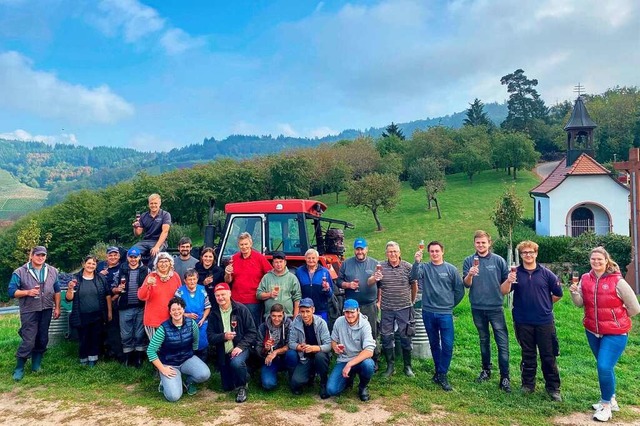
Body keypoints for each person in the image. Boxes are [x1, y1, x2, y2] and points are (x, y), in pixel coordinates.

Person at [570, 247, 640, 422]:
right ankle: (612, 398)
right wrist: (574, 293)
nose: (596, 262)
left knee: (603, 366)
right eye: (593, 259)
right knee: (606, 367)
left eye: (600, 259)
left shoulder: (618, 281)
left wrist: (617, 320)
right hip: (592, 331)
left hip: (615, 333)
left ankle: (606, 405)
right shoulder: (585, 279)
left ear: (607, 261)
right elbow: (579, 304)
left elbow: (635, 308)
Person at [504, 240, 563, 401]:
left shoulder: (546, 274)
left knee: (548, 355)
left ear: (536, 253)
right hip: (522, 321)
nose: (528, 255)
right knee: (528, 354)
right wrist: (509, 280)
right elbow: (503, 291)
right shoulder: (516, 274)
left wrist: (544, 304)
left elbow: (558, 294)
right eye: (524, 253)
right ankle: (528, 385)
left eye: (531, 252)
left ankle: (553, 388)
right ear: (521, 255)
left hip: (544, 321)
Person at [411, 241, 464, 391]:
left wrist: (450, 305)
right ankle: (439, 372)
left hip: (445, 313)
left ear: (442, 252)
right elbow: (413, 276)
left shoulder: (451, 269)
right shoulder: (425, 268)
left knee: (447, 345)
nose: (434, 254)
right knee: (434, 344)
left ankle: (442, 373)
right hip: (428, 312)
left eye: (437, 251)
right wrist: (416, 262)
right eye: (432, 251)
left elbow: (459, 290)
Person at [462, 230, 512, 392]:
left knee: (502, 342)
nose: (481, 245)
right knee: (484, 340)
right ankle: (486, 370)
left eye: (483, 242)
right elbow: (466, 284)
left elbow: (507, 283)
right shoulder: (469, 261)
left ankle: (505, 377)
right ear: (474, 244)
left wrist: (508, 285)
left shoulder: (498, 260)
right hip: (477, 307)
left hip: (495, 308)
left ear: (489, 243)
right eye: (478, 242)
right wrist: (470, 275)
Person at [8, 246, 61, 381]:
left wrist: (57, 308)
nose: (40, 258)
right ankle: (19, 368)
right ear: (31, 255)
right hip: (29, 310)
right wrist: (27, 292)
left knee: (43, 338)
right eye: (38, 255)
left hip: (47, 308)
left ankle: (36, 365)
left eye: (43, 255)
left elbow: (57, 290)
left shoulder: (52, 271)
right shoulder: (20, 272)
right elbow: (11, 291)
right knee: (29, 340)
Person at [147, 296, 211, 402]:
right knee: (174, 397)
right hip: (169, 363)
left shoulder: (192, 324)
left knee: (204, 374)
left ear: (183, 310)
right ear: (170, 312)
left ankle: (188, 381)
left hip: (187, 359)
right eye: (173, 310)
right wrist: (162, 369)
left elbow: (195, 341)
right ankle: (165, 382)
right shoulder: (163, 328)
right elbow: (150, 350)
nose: (176, 312)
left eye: (179, 309)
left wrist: (192, 355)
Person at [208, 282, 257, 403]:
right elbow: (210, 337)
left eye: (223, 294)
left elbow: (252, 332)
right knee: (227, 387)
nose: (220, 298)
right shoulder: (214, 313)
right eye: (217, 295)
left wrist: (240, 347)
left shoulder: (241, 309)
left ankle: (242, 387)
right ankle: (246, 373)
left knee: (236, 362)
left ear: (229, 293)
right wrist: (223, 336)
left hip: (241, 348)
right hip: (223, 351)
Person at [376, 241, 417, 378]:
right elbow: (377, 286)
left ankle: (407, 366)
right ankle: (390, 367)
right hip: (387, 308)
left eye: (395, 251)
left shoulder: (407, 267)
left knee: (406, 337)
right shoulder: (380, 267)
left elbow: (414, 285)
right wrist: (378, 302)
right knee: (386, 337)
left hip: (404, 307)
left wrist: (411, 301)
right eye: (390, 252)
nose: (392, 254)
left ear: (399, 253)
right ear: (386, 253)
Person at [337, 238, 380, 368]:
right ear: (354, 250)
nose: (359, 251)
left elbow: (381, 285)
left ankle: (374, 360)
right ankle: (353, 357)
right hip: (351, 307)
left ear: (366, 249)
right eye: (357, 249)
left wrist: (379, 302)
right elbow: (338, 282)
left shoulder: (374, 263)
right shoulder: (346, 264)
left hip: (369, 304)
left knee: (372, 332)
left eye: (362, 249)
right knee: (350, 333)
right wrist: (348, 285)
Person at [66, 255, 113, 367]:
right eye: (89, 263)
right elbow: (69, 298)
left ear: (96, 266)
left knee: (95, 337)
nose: (91, 266)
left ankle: (93, 359)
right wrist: (70, 289)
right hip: (81, 314)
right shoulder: (76, 278)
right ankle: (83, 359)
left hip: (98, 314)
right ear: (84, 264)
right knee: (83, 338)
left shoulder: (100, 278)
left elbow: (108, 295)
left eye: (93, 264)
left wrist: (109, 312)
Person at [327, 299, 376, 401]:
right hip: (343, 359)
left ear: (358, 310)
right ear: (343, 312)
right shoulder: (339, 322)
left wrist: (349, 364)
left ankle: (362, 387)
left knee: (369, 364)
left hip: (359, 360)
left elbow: (369, 351)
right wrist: (335, 347)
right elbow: (333, 340)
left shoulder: (365, 325)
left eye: (352, 312)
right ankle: (349, 379)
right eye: (347, 312)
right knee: (331, 390)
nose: (349, 315)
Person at [224, 232, 272, 327]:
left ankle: (255, 342)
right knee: (238, 326)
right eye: (241, 244)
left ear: (251, 244)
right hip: (236, 300)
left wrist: (267, 292)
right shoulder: (233, 258)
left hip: (253, 301)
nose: (244, 247)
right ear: (238, 245)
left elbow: (270, 275)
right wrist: (227, 273)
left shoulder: (259, 258)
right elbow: (228, 281)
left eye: (246, 244)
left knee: (253, 326)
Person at [113, 247, 149, 368]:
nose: (133, 259)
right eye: (131, 257)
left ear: (139, 257)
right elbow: (113, 286)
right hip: (125, 306)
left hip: (141, 306)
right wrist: (116, 289)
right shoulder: (121, 269)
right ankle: (127, 358)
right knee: (126, 335)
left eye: (135, 257)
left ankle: (138, 358)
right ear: (127, 257)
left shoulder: (146, 270)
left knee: (139, 334)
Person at [288, 298, 331, 398]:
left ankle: (323, 382)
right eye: (302, 311)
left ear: (313, 310)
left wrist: (314, 348)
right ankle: (309, 375)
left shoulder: (321, 323)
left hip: (319, 355)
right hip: (304, 357)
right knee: (296, 384)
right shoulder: (295, 323)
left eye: (308, 311)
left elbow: (329, 345)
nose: (305, 315)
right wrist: (299, 347)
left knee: (320, 356)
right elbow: (291, 343)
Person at [137, 252, 182, 340]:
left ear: (170, 263)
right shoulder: (151, 276)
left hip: (171, 319)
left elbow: (180, 298)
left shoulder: (175, 276)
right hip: (153, 321)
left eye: (166, 261)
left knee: (170, 347)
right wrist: (147, 285)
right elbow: (141, 297)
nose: (163, 264)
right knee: (156, 349)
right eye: (160, 262)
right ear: (156, 264)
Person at [255, 303, 297, 390]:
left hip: (285, 357)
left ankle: (292, 379)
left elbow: (291, 344)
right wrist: (265, 349)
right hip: (270, 360)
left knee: (292, 354)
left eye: (279, 316)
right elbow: (258, 348)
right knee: (268, 385)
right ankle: (270, 376)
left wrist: (275, 352)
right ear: (270, 315)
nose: (276, 319)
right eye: (274, 316)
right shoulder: (263, 327)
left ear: (283, 315)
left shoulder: (289, 324)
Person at [175, 268, 211, 361]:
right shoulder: (179, 291)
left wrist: (203, 318)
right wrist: (186, 315)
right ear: (185, 280)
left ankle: (203, 363)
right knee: (187, 343)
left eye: (194, 279)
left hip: (201, 322)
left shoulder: (202, 290)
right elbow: (175, 309)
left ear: (197, 279)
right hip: (186, 322)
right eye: (189, 279)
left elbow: (207, 307)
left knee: (202, 342)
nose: (192, 281)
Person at [256, 251, 302, 319]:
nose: (279, 264)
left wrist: (295, 316)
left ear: (285, 263)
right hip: (270, 316)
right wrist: (269, 294)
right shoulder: (266, 277)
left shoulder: (292, 278)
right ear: (273, 264)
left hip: (288, 316)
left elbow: (297, 298)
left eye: (281, 262)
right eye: (276, 262)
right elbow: (258, 294)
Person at [99, 246, 124, 363]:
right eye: (110, 255)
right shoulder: (100, 267)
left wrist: (114, 296)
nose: (113, 257)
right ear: (106, 256)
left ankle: (117, 354)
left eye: (115, 255)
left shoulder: (122, 267)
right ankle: (103, 353)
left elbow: (123, 287)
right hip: (100, 303)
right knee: (101, 329)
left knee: (114, 329)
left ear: (119, 256)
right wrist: (100, 275)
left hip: (116, 302)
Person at [295, 249, 334, 323]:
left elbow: (331, 293)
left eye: (313, 258)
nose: (311, 260)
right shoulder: (299, 271)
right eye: (309, 258)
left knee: (321, 330)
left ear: (318, 259)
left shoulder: (325, 271)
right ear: (305, 258)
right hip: (305, 310)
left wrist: (327, 289)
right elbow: (296, 291)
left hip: (321, 309)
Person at [132, 193, 171, 263]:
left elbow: (165, 231)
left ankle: (151, 272)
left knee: (155, 255)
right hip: (145, 241)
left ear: (160, 203)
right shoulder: (144, 216)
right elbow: (138, 233)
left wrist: (157, 247)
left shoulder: (165, 215)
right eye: (151, 203)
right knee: (132, 252)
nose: (153, 205)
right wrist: (135, 227)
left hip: (160, 241)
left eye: (155, 203)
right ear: (148, 204)